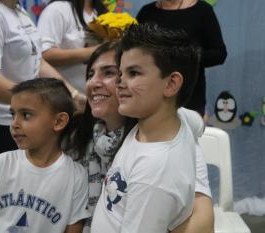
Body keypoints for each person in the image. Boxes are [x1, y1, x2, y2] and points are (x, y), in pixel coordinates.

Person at [65, 41, 214, 233]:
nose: (93, 82)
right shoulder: (79, 135)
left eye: (109, 73)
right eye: (90, 74)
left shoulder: (168, 130)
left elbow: (203, 217)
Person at [0, 0, 84, 172]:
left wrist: (72, 94)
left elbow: (38, 62)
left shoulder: (18, 11)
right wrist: (43, 104)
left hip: (23, 115)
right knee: (10, 192)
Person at [0, 78, 90, 233]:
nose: (14, 124)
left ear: (59, 121)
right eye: (13, 114)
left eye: (26, 115)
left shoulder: (76, 176)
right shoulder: (2, 163)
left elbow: (73, 229)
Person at [136, 0, 227, 116]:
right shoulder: (146, 12)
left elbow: (219, 54)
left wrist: (184, 56)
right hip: (151, 97)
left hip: (189, 99)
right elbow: (134, 52)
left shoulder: (202, 10)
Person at [37, 0, 108, 93]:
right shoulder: (57, 9)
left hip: (97, 96)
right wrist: (97, 51)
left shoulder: (102, 12)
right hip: (66, 98)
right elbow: (44, 55)